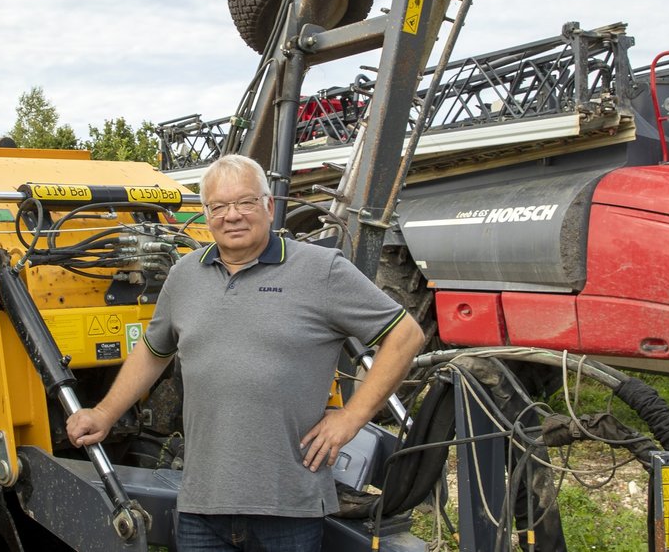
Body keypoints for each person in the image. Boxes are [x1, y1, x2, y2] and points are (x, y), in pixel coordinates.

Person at [66, 154, 426, 551]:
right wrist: (104, 413)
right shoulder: (184, 276)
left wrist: (352, 416)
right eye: (218, 206)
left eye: (245, 202)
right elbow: (154, 352)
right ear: (206, 215)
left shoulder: (321, 270)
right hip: (202, 507)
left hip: (287, 507)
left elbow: (405, 336)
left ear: (269, 206)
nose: (231, 215)